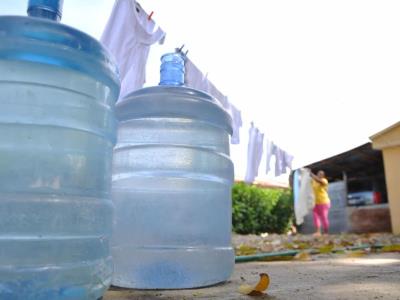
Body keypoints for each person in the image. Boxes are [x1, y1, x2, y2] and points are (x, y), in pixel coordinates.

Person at [310, 170, 330, 236]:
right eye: (318, 173)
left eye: (321, 174)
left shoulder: (324, 181)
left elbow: (318, 180)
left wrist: (311, 174)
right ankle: (318, 232)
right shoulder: (313, 182)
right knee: (316, 217)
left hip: (324, 202)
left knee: (324, 217)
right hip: (315, 202)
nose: (319, 175)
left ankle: (326, 232)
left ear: (323, 176)